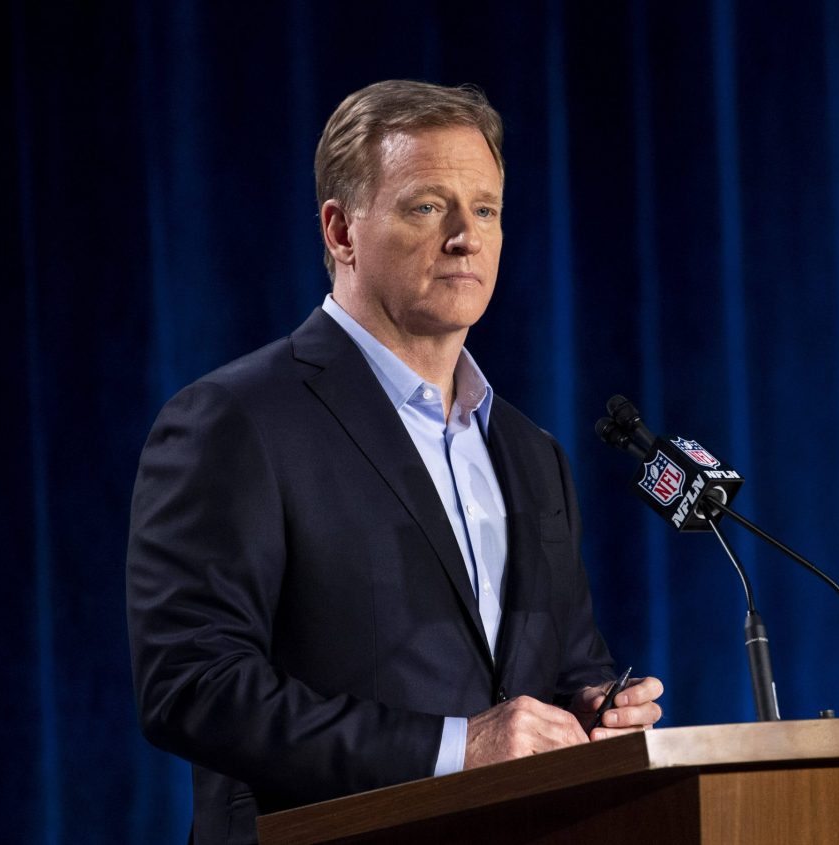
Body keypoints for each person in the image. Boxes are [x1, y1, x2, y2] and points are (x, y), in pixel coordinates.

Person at [126, 80, 663, 844]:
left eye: (486, 210)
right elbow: (192, 686)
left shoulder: (531, 452)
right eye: (427, 206)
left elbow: (568, 665)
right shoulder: (234, 421)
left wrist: (590, 713)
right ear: (341, 231)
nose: (466, 237)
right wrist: (457, 748)